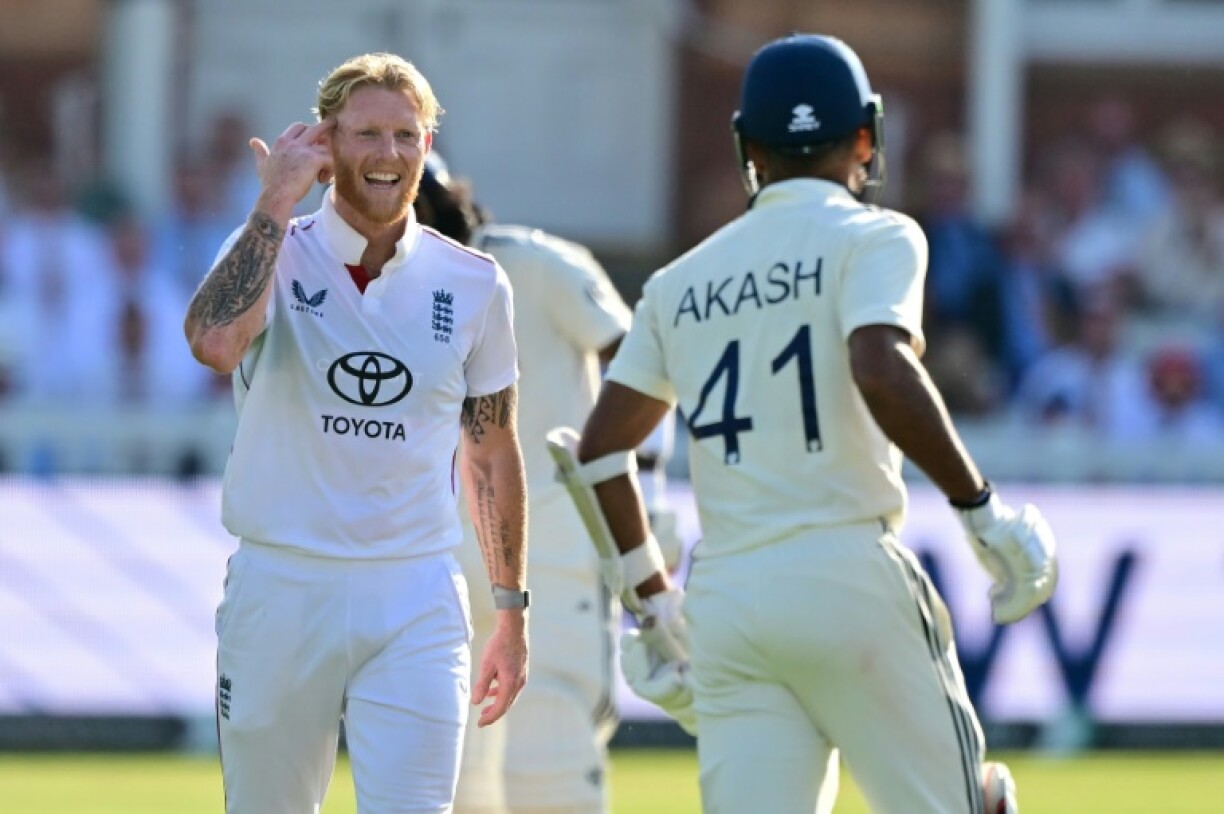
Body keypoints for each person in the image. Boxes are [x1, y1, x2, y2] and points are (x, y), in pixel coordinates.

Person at [567, 34, 1057, 813]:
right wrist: (981, 509)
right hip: (847, 571)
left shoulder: (676, 282)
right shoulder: (880, 235)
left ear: (747, 148)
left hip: (726, 590)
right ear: (866, 137)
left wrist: (654, 600)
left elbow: (599, 454)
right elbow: (879, 366)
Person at [183, 52, 530, 813]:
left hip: (415, 593)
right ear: (327, 142)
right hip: (281, 584)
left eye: (407, 135)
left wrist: (510, 608)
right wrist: (274, 201)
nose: (388, 155)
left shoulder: (474, 283)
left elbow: (491, 449)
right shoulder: (272, 247)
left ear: (427, 146)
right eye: (367, 133)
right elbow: (213, 343)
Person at [413, 154, 632, 814]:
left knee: (549, 767)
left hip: (552, 551)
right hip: (442, 561)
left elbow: (639, 362)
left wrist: (635, 493)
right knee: (457, 790)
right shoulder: (380, 293)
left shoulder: (534, 264)